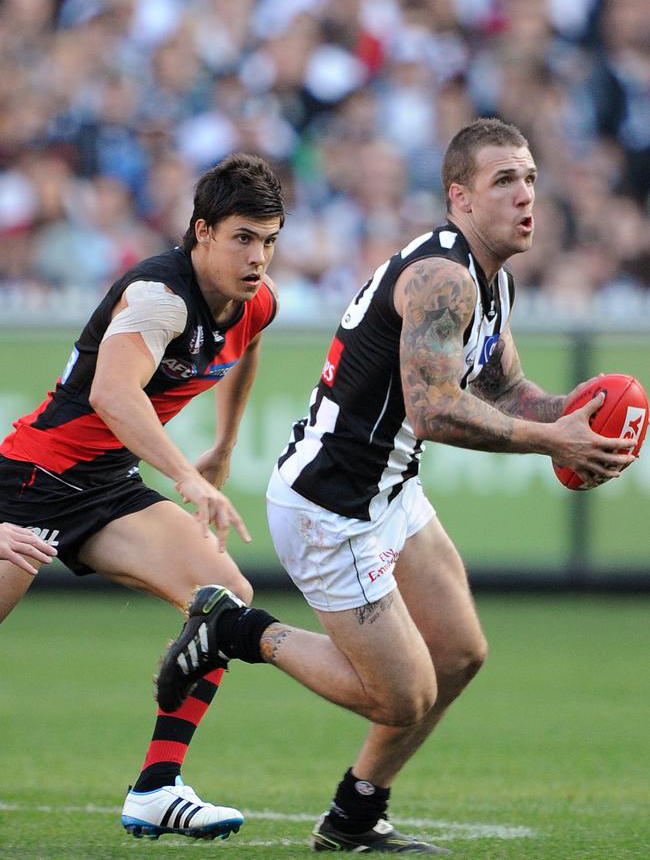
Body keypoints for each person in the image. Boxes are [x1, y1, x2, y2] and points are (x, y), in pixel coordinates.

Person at [156, 119, 635, 854]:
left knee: (461, 651)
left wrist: (577, 418)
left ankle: (355, 814)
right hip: (332, 505)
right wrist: (552, 438)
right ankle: (236, 629)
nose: (526, 195)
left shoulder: (489, 279)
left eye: (531, 178)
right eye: (504, 180)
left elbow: (505, 391)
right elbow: (434, 406)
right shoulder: (443, 275)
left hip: (386, 489)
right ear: (460, 197)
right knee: (402, 694)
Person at [0, 153, 285, 841]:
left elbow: (245, 350)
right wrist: (188, 476)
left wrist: (223, 443)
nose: (259, 257)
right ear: (201, 231)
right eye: (243, 237)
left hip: (105, 487)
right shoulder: (159, 297)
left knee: (223, 598)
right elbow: (112, 393)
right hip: (32, 482)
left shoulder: (256, 300)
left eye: (270, 240)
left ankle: (158, 786)